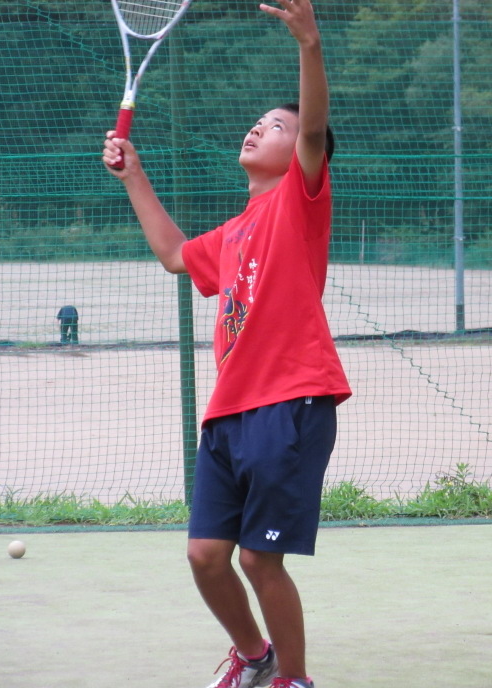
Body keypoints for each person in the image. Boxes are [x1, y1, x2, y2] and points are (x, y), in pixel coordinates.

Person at [102, 3, 351, 687]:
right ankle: (254, 656)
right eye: (260, 122)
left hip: (291, 402)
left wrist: (308, 44)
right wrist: (133, 175)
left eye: (276, 126)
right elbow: (175, 255)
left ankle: (294, 680)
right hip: (229, 413)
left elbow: (314, 125)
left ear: (301, 153)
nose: (259, 127)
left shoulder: (300, 201)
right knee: (206, 557)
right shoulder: (235, 230)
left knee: (258, 559)